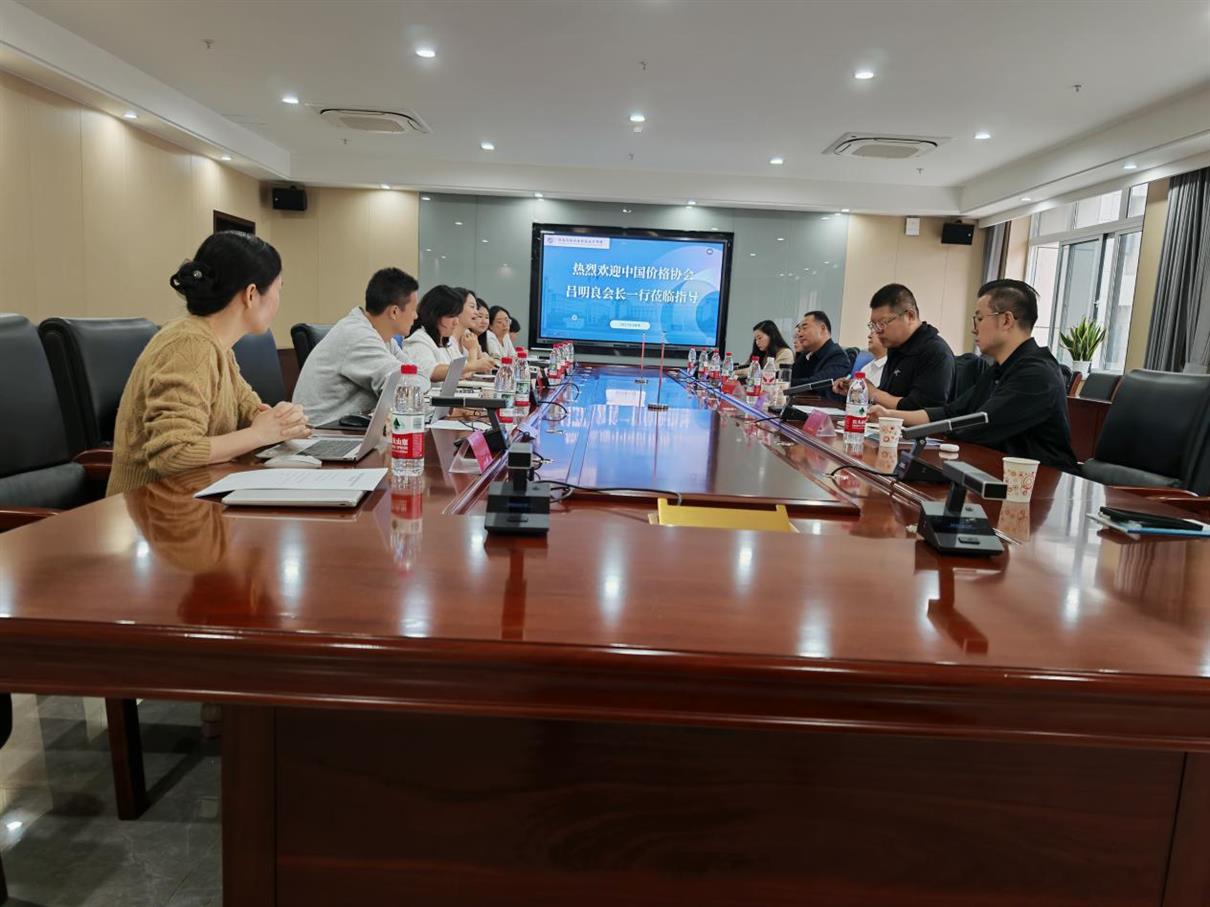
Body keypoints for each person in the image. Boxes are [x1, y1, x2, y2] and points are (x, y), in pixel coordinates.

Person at [107, 232, 309, 496]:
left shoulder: (218, 347)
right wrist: (260, 434)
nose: (278, 300)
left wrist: (279, 421)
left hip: (196, 497)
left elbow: (251, 411)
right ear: (251, 294)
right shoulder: (189, 345)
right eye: (278, 289)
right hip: (153, 509)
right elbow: (174, 454)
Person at [869, 279, 1077, 469]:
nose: (974, 329)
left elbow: (976, 427)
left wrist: (912, 427)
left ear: (1006, 320)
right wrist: (890, 416)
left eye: (979, 318)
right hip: (992, 471)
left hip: (1040, 483)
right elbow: (951, 412)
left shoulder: (1037, 375)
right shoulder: (998, 369)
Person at [292, 267, 428, 426]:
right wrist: (416, 381)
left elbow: (418, 375)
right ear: (394, 312)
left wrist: (416, 381)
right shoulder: (358, 336)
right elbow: (405, 387)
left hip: (348, 428)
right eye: (413, 310)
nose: (416, 316)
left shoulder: (383, 338)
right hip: (321, 432)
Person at [834, 284, 953, 410]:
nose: (877, 331)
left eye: (882, 323)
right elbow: (889, 396)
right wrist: (859, 392)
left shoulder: (936, 352)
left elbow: (923, 411)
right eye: (873, 325)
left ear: (910, 316)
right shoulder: (896, 347)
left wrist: (873, 392)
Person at [397, 284, 465, 382]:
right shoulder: (418, 339)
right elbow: (430, 371)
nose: (456, 322)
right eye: (451, 316)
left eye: (457, 316)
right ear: (435, 315)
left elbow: (463, 371)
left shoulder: (447, 341)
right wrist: (470, 367)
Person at [789, 311, 850, 401]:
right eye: (800, 330)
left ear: (822, 328)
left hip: (824, 407)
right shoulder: (807, 355)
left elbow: (815, 385)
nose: (800, 334)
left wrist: (783, 382)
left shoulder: (837, 356)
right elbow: (791, 374)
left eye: (804, 328)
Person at [446, 288, 494, 374]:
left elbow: (485, 368)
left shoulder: (468, 335)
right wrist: (473, 349)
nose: (476, 312)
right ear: (457, 307)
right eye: (472, 307)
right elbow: (462, 374)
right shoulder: (446, 338)